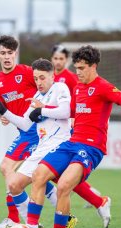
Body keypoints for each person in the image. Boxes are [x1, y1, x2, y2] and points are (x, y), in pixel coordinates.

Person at [25, 45, 121, 228]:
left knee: (63, 186)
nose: (78, 72)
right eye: (76, 68)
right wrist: (43, 110)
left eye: (82, 68)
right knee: (39, 174)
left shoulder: (103, 86)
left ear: (93, 66)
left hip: (91, 148)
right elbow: (70, 110)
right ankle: (31, 227)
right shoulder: (78, 88)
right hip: (71, 142)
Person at [0, 58, 112, 228]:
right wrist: (4, 111)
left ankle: (40, 225)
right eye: (36, 78)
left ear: (52, 76)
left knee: (58, 182)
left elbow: (65, 112)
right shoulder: (37, 98)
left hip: (60, 144)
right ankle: (95, 203)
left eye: (42, 78)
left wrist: (43, 110)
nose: (38, 82)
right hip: (42, 146)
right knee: (14, 185)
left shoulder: (60, 89)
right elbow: (24, 123)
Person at [0, 35, 60, 228]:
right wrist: (5, 116)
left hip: (36, 131)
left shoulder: (27, 72)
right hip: (23, 131)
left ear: (15, 54)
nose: (7, 57)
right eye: (3, 53)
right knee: (39, 176)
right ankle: (38, 217)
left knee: (7, 168)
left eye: (10, 53)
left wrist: (49, 107)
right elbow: (6, 106)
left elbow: (48, 87)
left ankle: (19, 217)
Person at [51, 44, 102, 208]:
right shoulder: (49, 76)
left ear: (66, 61)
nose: (58, 62)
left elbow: (76, 105)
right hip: (51, 127)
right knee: (55, 171)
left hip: (68, 129)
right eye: (55, 58)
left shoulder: (73, 77)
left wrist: (74, 118)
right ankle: (92, 196)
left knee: (59, 171)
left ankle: (90, 197)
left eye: (61, 59)